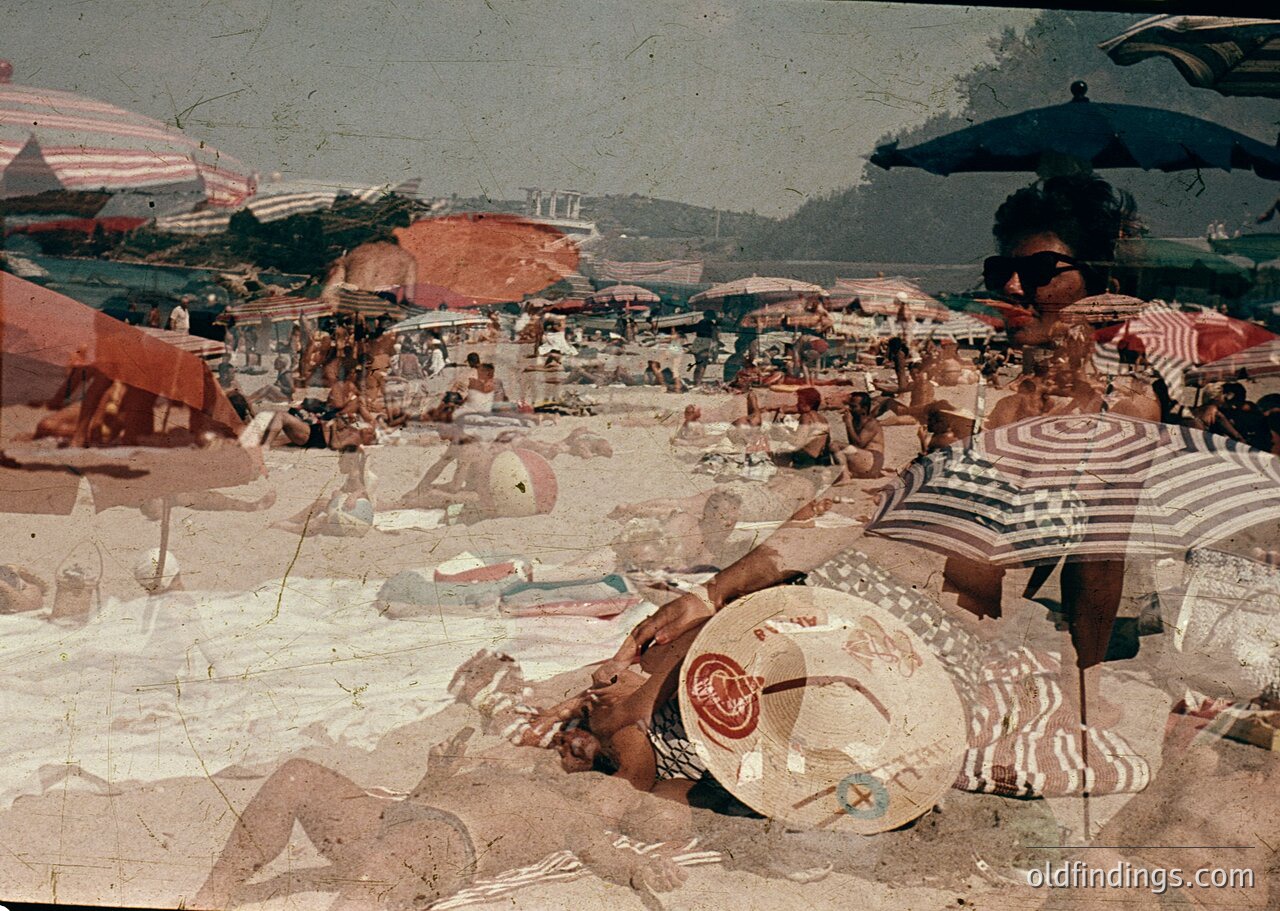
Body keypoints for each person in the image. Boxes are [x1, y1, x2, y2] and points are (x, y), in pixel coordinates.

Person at [593, 173, 1157, 709]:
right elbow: (849, 501)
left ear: (1101, 284)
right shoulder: (961, 387)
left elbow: (1097, 569)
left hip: (949, 645)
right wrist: (710, 593)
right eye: (1002, 269)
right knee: (663, 677)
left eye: (1039, 271)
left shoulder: (1121, 410)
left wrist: (1084, 687)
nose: (1013, 286)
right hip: (844, 594)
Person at [837, 391, 885, 479]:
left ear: (864, 408)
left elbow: (858, 444)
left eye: (853, 406)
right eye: (850, 406)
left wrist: (848, 424)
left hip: (873, 461)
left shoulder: (871, 423)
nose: (850, 409)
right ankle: (847, 474)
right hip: (865, 459)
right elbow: (852, 443)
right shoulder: (856, 421)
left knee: (835, 445)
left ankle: (845, 477)